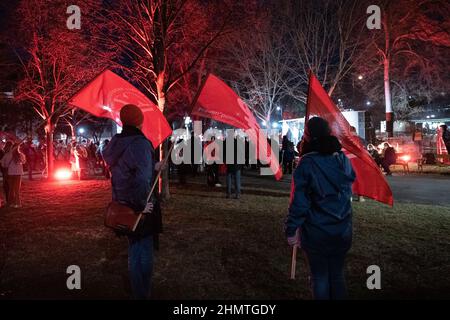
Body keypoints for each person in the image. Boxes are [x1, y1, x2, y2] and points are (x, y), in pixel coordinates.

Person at [285, 117, 356, 300]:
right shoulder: (342, 159)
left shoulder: (307, 163)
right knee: (337, 276)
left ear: (309, 136)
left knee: (320, 278)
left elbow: (300, 203)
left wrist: (291, 230)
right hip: (342, 230)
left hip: (317, 232)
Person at [102, 104, 163, 300]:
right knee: (143, 251)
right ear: (139, 120)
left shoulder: (117, 141)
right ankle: (142, 293)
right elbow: (140, 179)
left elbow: (126, 170)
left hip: (122, 203)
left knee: (134, 248)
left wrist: (154, 165)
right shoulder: (140, 143)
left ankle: (139, 291)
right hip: (138, 205)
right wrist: (141, 206)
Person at [1, 143, 26, 208]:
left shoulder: (8, 155)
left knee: (11, 189)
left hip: (11, 173)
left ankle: (10, 203)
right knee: (17, 190)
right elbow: (24, 162)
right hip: (18, 174)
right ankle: (18, 203)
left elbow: (3, 164)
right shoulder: (21, 155)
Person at [225, 135, 243, 199]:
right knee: (237, 180)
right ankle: (237, 194)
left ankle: (228, 193)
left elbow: (223, 153)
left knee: (229, 180)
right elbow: (242, 153)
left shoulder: (226, 143)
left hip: (229, 164)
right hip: (237, 164)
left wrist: (225, 161)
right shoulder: (239, 142)